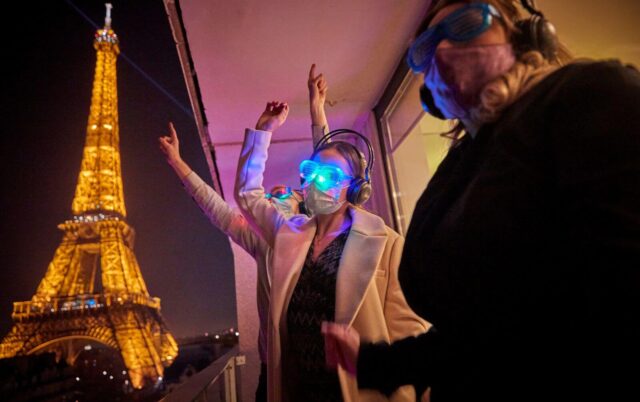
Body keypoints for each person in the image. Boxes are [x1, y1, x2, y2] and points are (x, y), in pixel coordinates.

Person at [322, 1, 640, 401]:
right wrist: (374, 363)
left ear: (523, 33)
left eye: (465, 24)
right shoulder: (463, 163)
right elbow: (478, 333)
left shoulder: (591, 93)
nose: (442, 50)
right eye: (426, 48)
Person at [235, 99, 430, 402]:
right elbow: (248, 195)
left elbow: (408, 334)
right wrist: (263, 131)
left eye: (329, 176)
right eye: (311, 171)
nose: (316, 181)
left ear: (355, 189)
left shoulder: (387, 244)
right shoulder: (290, 233)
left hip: (360, 393)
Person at [158, 64, 332, 402]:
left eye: (285, 192)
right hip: (277, 366)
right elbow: (216, 207)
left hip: (321, 362)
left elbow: (328, 169)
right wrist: (178, 163)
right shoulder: (264, 239)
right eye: (270, 195)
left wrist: (317, 108)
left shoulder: (317, 225)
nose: (275, 193)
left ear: (303, 200)